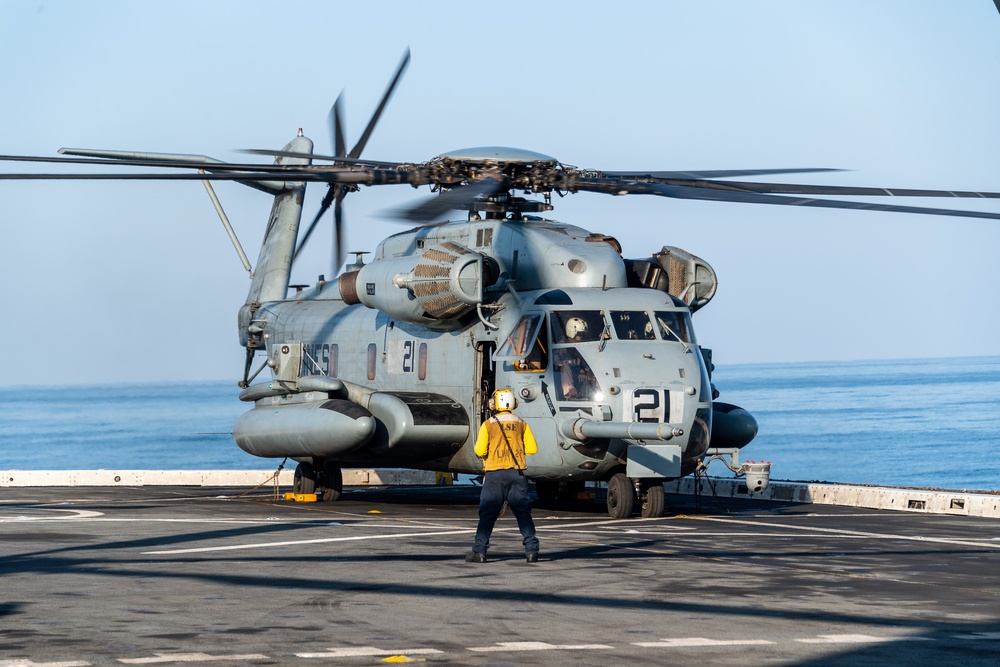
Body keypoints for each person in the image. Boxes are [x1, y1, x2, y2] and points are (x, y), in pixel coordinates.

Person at [466, 388, 540, 563]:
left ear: (494, 403)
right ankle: (531, 551)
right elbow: (532, 449)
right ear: (513, 402)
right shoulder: (521, 423)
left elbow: (479, 450)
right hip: (516, 474)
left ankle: (480, 551)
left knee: (487, 515)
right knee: (523, 514)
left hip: (494, 475)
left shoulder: (489, 424)